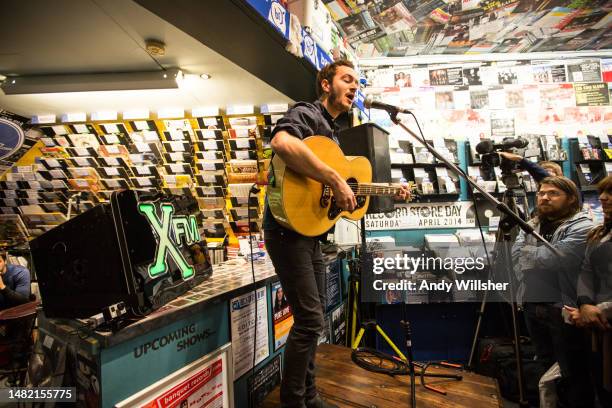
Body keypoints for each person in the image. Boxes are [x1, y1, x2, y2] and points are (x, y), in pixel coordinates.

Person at [263, 60, 409, 408]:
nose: (355, 86)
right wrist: (333, 178)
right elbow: (282, 142)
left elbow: (339, 196)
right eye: (347, 79)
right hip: (286, 232)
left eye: (358, 82)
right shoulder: (307, 113)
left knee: (313, 322)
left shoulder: (329, 132)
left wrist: (387, 191)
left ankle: (309, 395)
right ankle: (294, 401)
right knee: (312, 321)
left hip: (309, 235)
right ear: (326, 85)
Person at [512, 176, 594, 407]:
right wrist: (535, 257)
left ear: (570, 199)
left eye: (553, 193)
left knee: (571, 367)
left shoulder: (582, 224)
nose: (544, 197)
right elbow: (516, 254)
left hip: (563, 306)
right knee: (544, 364)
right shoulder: (533, 223)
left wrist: (532, 256)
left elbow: (560, 258)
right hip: (531, 302)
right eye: (541, 193)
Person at [569, 175, 612, 406]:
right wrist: (585, 304)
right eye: (602, 192)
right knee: (602, 389)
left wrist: (601, 309)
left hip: (602, 317)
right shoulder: (598, 234)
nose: (603, 198)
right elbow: (584, 271)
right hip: (598, 327)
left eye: (610, 193)